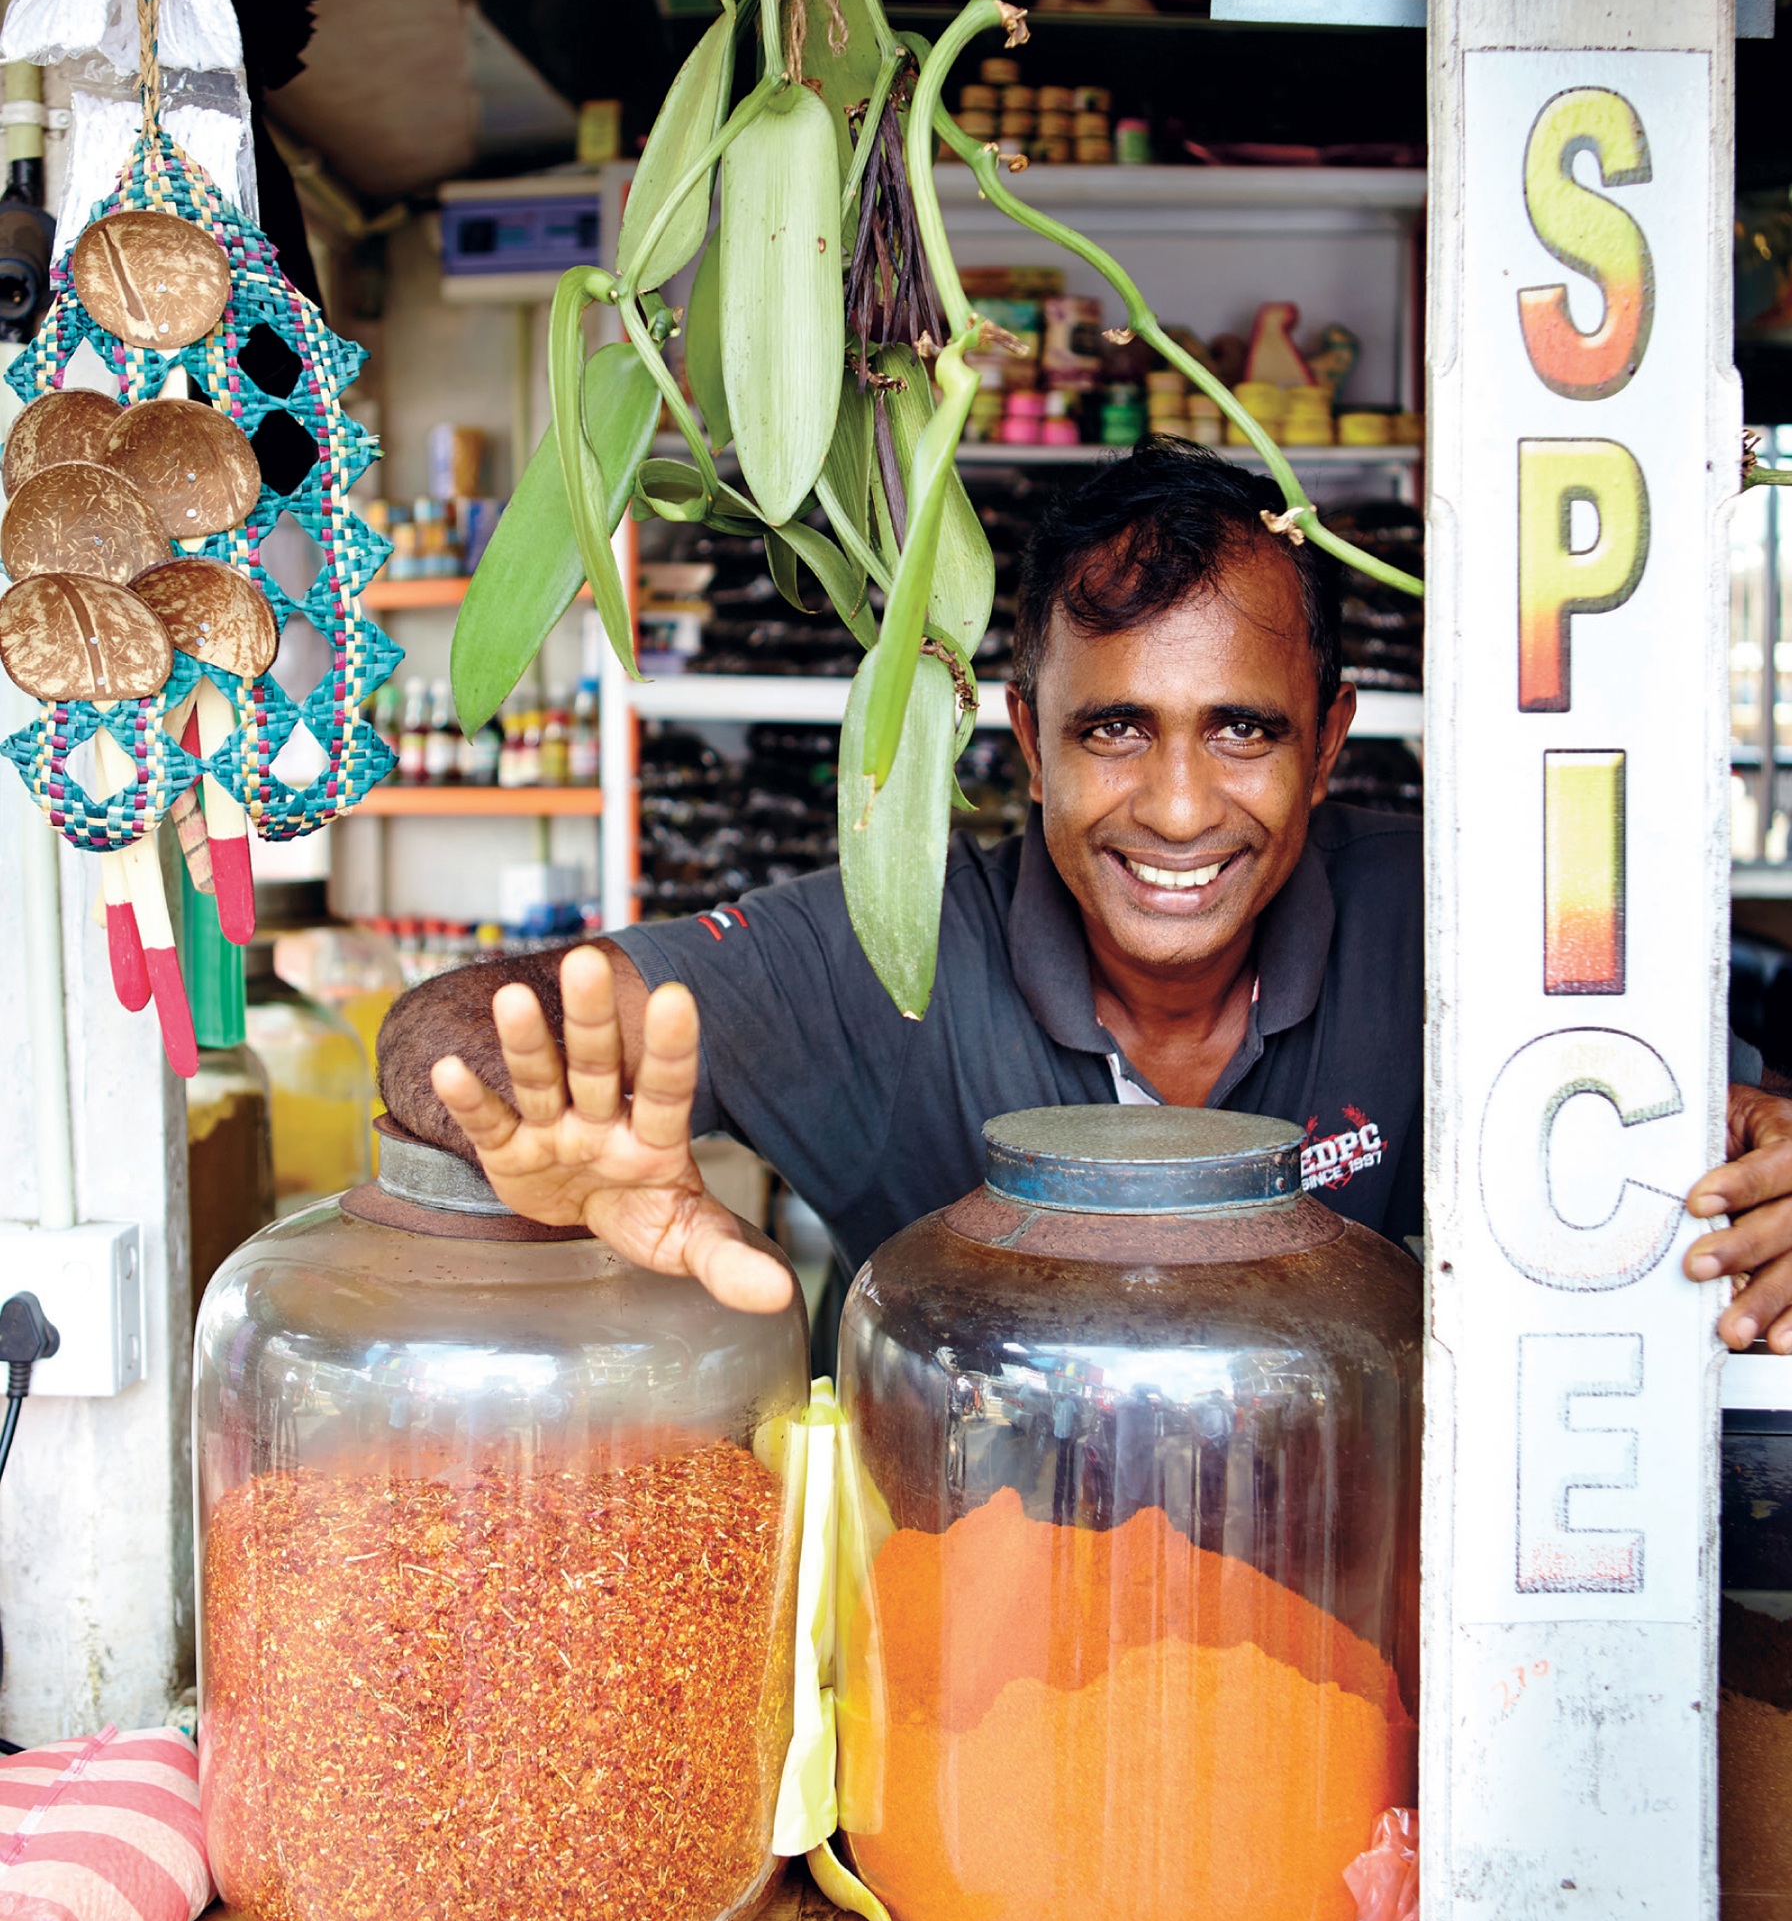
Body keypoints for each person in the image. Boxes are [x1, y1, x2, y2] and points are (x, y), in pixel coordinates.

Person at [378, 441, 1792, 1351]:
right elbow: (446, 1026)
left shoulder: (1462, 925)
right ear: (1028, 735)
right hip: (973, 1655)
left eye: (1242, 729)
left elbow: (1712, 1129)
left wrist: (1767, 1180)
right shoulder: (890, 947)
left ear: (1333, 741)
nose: (1178, 810)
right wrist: (533, 1116)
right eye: (1116, 729)